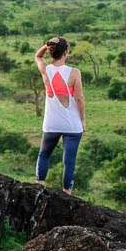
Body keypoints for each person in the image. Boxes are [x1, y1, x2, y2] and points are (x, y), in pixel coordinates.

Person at [34, 37, 85, 194]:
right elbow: (79, 98)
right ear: (66, 52)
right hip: (72, 125)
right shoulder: (74, 72)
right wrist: (82, 120)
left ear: (51, 52)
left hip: (51, 124)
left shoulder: (46, 69)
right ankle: (67, 193)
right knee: (69, 161)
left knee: (44, 154)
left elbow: (37, 56)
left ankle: (38, 186)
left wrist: (47, 45)